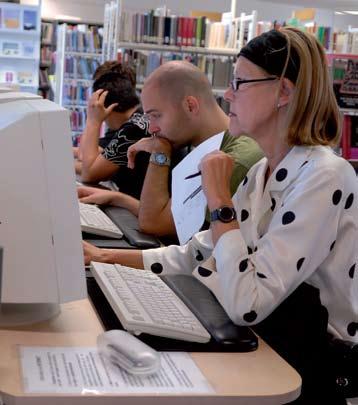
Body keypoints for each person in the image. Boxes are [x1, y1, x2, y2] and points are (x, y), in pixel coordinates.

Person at [84, 28, 358, 403]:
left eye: (239, 83)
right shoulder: (264, 170)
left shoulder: (324, 176)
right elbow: (199, 252)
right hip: (271, 345)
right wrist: (105, 257)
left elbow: (248, 303)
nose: (228, 94)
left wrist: (220, 201)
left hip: (312, 366)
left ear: (284, 92)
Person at [79, 60, 263, 237]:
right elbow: (174, 217)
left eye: (156, 116)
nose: (150, 129)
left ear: (190, 106)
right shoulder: (206, 145)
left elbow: (153, 223)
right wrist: (117, 198)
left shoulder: (234, 160)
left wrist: (160, 152)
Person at [76, 62, 151, 199]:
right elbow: (92, 157)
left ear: (106, 107)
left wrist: (93, 120)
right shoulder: (139, 118)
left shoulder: (134, 128)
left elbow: (89, 174)